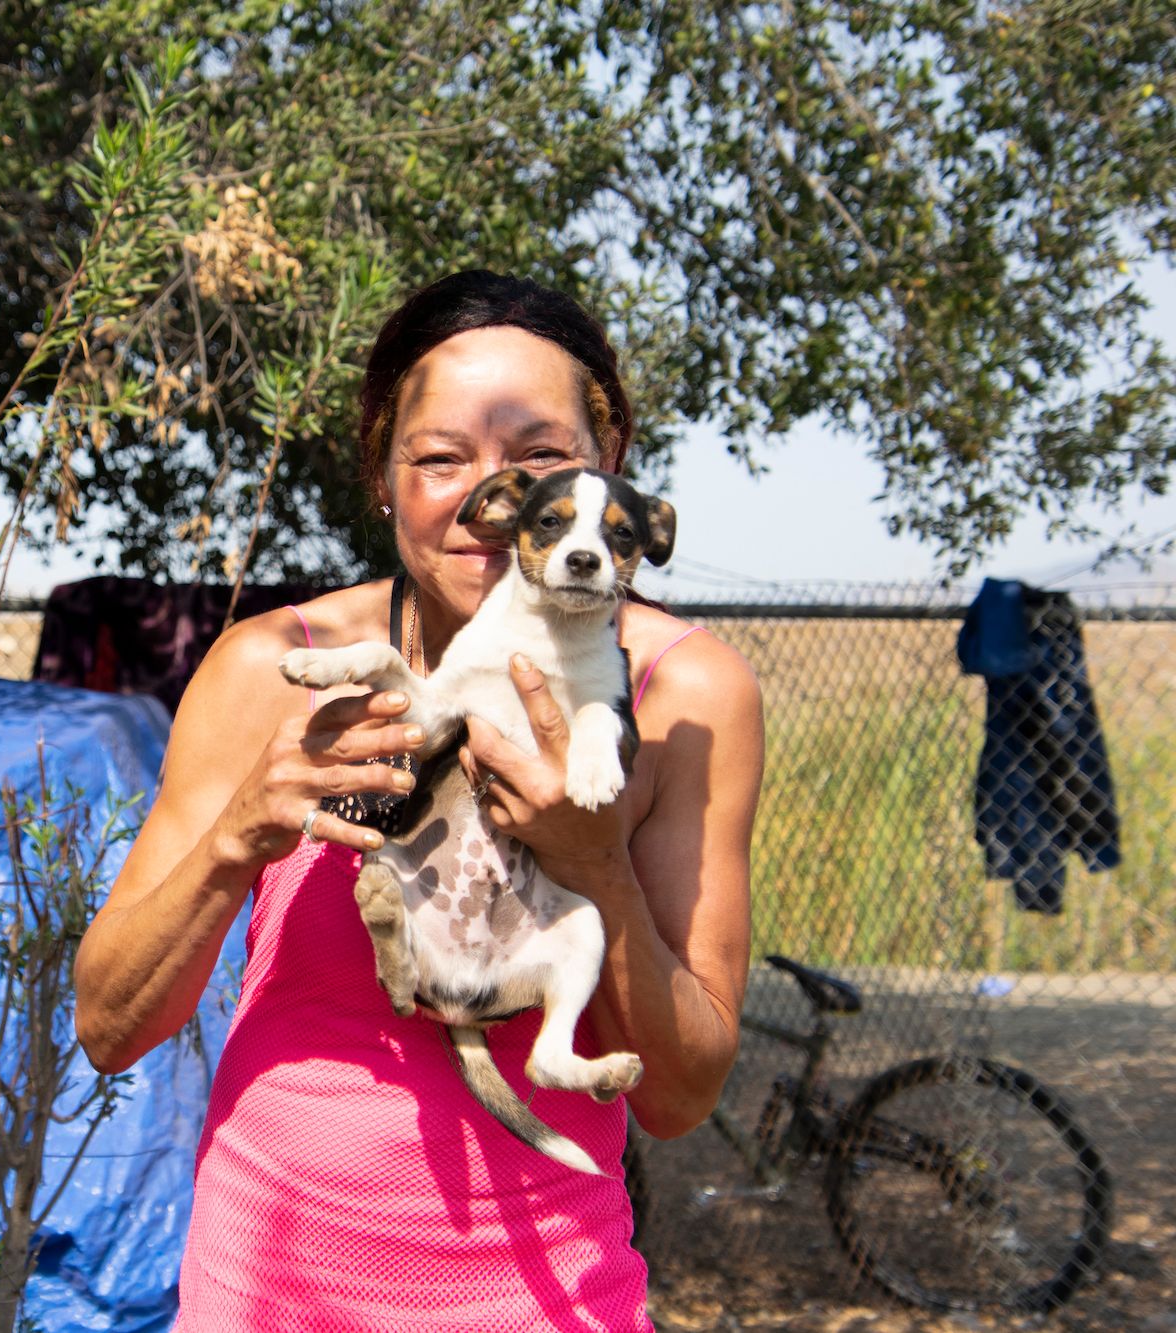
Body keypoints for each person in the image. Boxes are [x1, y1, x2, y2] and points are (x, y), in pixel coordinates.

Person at [73, 270, 763, 1330]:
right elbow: (110, 1024)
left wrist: (593, 864)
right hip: (262, 1292)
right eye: (437, 458)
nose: (484, 502)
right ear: (382, 479)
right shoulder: (274, 664)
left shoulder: (679, 694)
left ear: (605, 460)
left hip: (540, 1301)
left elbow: (678, 1095)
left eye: (535, 458)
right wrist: (238, 835)